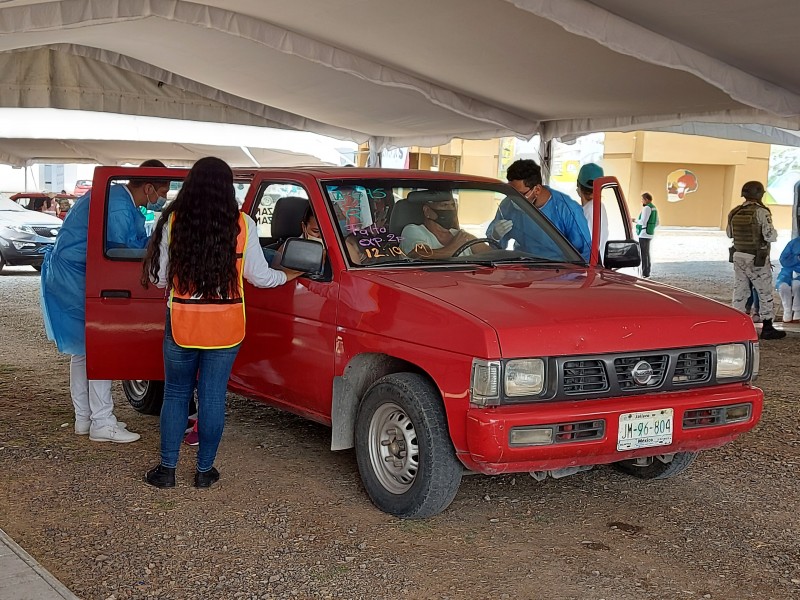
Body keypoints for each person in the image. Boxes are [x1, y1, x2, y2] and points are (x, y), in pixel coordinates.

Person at [141, 157, 304, 489]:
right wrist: (287, 274)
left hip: (182, 323)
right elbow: (259, 277)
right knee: (213, 396)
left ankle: (167, 470)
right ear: (227, 187)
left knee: (175, 394)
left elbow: (159, 278)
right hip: (227, 326)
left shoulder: (173, 221)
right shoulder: (243, 224)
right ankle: (204, 472)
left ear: (191, 185)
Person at [40, 159, 170, 443]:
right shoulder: (119, 206)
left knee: (84, 350)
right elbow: (119, 251)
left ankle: (85, 419)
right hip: (78, 274)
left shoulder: (118, 200)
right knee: (100, 349)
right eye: (162, 191)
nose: (162, 199)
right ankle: (102, 421)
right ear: (148, 187)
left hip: (69, 274)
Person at [486, 159, 591, 261]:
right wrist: (495, 236)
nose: (514, 199)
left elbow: (585, 254)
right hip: (521, 268)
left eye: (520, 194)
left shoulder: (567, 210)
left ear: (537, 190)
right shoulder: (508, 205)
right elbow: (496, 249)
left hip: (557, 271)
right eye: (511, 193)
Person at [726, 181, 785, 340]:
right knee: (764, 291)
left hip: (738, 256)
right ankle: (767, 327)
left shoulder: (734, 211)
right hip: (756, 258)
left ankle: (736, 325)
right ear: (759, 194)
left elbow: (729, 234)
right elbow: (769, 236)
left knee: (740, 290)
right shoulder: (761, 212)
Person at [399, 192, 489, 258]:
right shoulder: (413, 231)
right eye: (444, 205)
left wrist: (495, 237)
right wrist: (455, 247)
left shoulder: (461, 235)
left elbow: (494, 256)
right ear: (427, 211)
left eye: (453, 205)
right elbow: (420, 254)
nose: (450, 209)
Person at [576, 163, 608, 263]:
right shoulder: (600, 207)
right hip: (597, 266)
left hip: (586, 268)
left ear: (578, 185)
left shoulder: (588, 212)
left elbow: (583, 248)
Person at [634, 192, 658, 278]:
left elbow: (643, 221)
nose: (642, 201)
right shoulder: (654, 208)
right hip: (650, 233)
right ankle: (647, 271)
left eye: (642, 199)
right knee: (647, 253)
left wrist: (635, 220)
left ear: (646, 199)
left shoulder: (647, 208)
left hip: (644, 233)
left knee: (643, 253)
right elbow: (657, 222)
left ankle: (644, 272)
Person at [777, 236, 800, 323]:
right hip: (788, 271)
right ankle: (787, 311)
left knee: (797, 285)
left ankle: (797, 311)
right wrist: (796, 258)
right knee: (783, 286)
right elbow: (783, 259)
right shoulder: (793, 243)